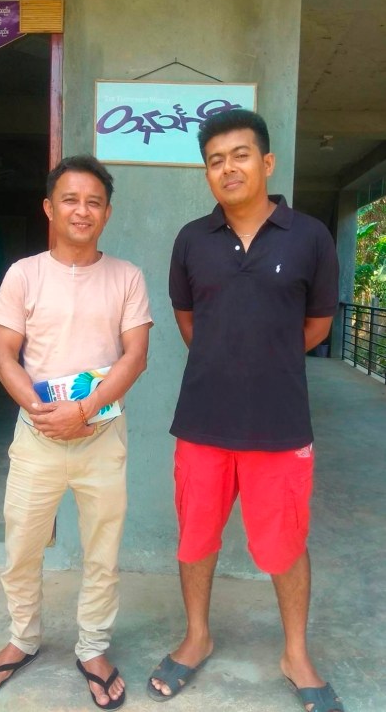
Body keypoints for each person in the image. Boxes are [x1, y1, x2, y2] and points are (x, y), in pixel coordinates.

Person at [147, 110, 344, 712]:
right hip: (203, 421)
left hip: (280, 424)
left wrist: (263, 359)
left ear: (266, 163)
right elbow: (188, 322)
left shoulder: (309, 236)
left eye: (239, 155)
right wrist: (227, 357)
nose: (227, 167)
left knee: (285, 543)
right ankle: (197, 637)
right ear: (205, 171)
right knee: (196, 537)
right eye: (214, 159)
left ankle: (295, 654)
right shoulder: (191, 239)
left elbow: (316, 325)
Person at [0, 155, 153, 709]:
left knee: (102, 550)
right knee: (22, 547)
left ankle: (93, 648)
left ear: (107, 212)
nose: (82, 210)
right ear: (50, 207)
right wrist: (43, 411)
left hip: (102, 437)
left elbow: (135, 356)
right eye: (70, 199)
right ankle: (22, 639)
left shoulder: (127, 277)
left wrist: (86, 409)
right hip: (36, 436)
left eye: (93, 201)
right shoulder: (24, 273)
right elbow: (5, 356)